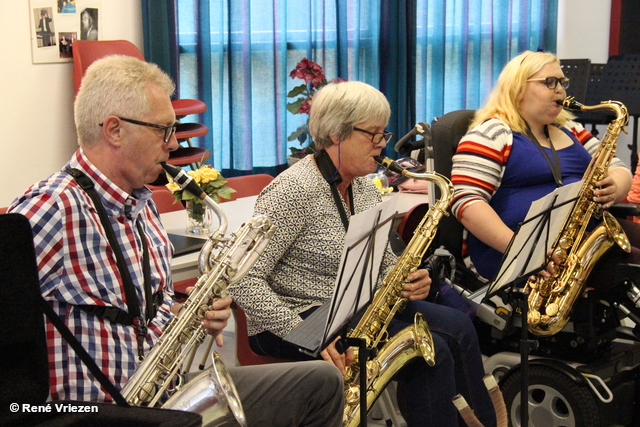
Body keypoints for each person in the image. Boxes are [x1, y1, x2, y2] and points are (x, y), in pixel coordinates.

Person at [7, 55, 343, 427]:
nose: (172, 145)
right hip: (96, 415)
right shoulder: (51, 208)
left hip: (163, 397)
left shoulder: (142, 204)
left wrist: (192, 317)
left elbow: (148, 314)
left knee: (321, 382)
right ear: (115, 130)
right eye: (163, 130)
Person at [230, 80, 497, 426]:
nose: (382, 145)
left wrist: (410, 278)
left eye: (383, 134)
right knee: (429, 354)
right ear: (335, 134)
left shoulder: (364, 188)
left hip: (352, 308)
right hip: (299, 319)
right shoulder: (292, 190)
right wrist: (301, 329)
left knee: (460, 326)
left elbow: (381, 260)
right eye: (372, 135)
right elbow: (243, 278)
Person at [450, 50, 640, 287]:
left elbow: (617, 166)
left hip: (582, 234)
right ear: (517, 88)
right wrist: (524, 249)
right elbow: (467, 202)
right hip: (516, 250)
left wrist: (616, 185)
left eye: (562, 82)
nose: (560, 90)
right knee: (633, 264)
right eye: (549, 82)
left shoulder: (571, 129)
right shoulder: (490, 133)